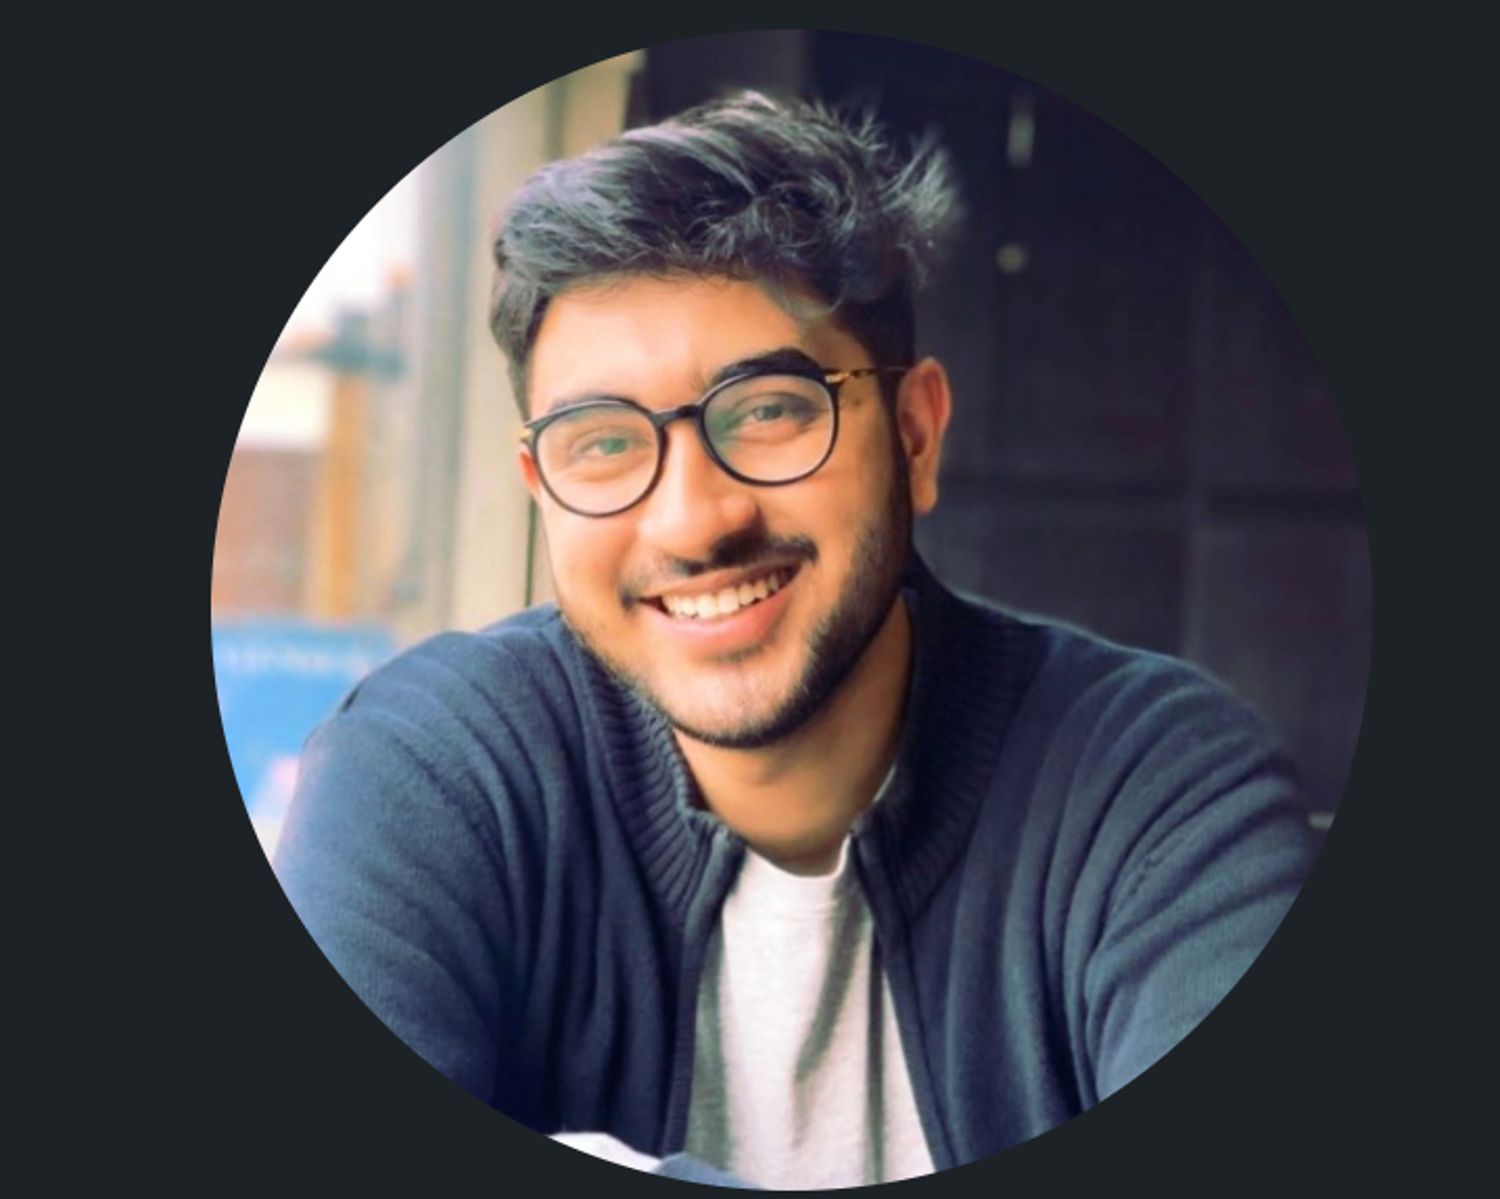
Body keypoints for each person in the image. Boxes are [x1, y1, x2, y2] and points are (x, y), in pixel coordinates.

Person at [275, 91, 1317, 1188]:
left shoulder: (1157, 789)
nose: (693, 521)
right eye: (603, 442)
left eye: (770, 409)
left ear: (914, 436)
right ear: (542, 490)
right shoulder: (434, 770)